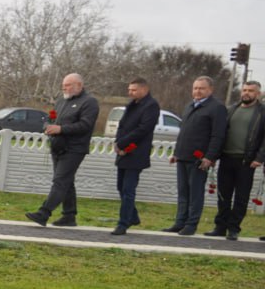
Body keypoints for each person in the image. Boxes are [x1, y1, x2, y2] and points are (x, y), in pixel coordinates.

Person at [25, 73, 99, 227]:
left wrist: (61, 129)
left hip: (75, 148)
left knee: (60, 181)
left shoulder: (89, 102)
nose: (64, 88)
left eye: (68, 85)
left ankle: (44, 213)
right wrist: (47, 126)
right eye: (64, 85)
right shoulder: (61, 101)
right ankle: (69, 216)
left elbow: (85, 125)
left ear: (79, 85)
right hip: (58, 146)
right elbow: (51, 117)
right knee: (67, 182)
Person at [163, 75, 227, 235]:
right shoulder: (190, 106)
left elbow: (218, 135)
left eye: (201, 88)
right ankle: (180, 222)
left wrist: (209, 157)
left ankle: (191, 225)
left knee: (195, 194)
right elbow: (183, 132)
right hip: (183, 156)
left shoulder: (217, 108)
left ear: (210, 90)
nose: (197, 91)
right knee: (183, 192)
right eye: (195, 88)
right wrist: (176, 153)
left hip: (199, 159)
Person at [204, 80, 263, 241]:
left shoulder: (262, 112)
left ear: (258, 94)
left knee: (241, 198)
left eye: (250, 91)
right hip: (226, 158)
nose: (246, 93)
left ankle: (233, 228)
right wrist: (213, 156)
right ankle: (220, 227)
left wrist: (259, 158)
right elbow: (220, 134)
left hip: (246, 161)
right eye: (244, 90)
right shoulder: (231, 109)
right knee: (223, 195)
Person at [110, 78, 159, 235]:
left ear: (144, 89)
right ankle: (133, 216)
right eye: (129, 90)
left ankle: (123, 223)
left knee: (128, 189)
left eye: (133, 90)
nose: (130, 93)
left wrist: (123, 143)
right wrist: (118, 143)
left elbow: (143, 129)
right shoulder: (132, 105)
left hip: (136, 152)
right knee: (120, 187)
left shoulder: (151, 106)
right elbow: (122, 125)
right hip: (123, 151)